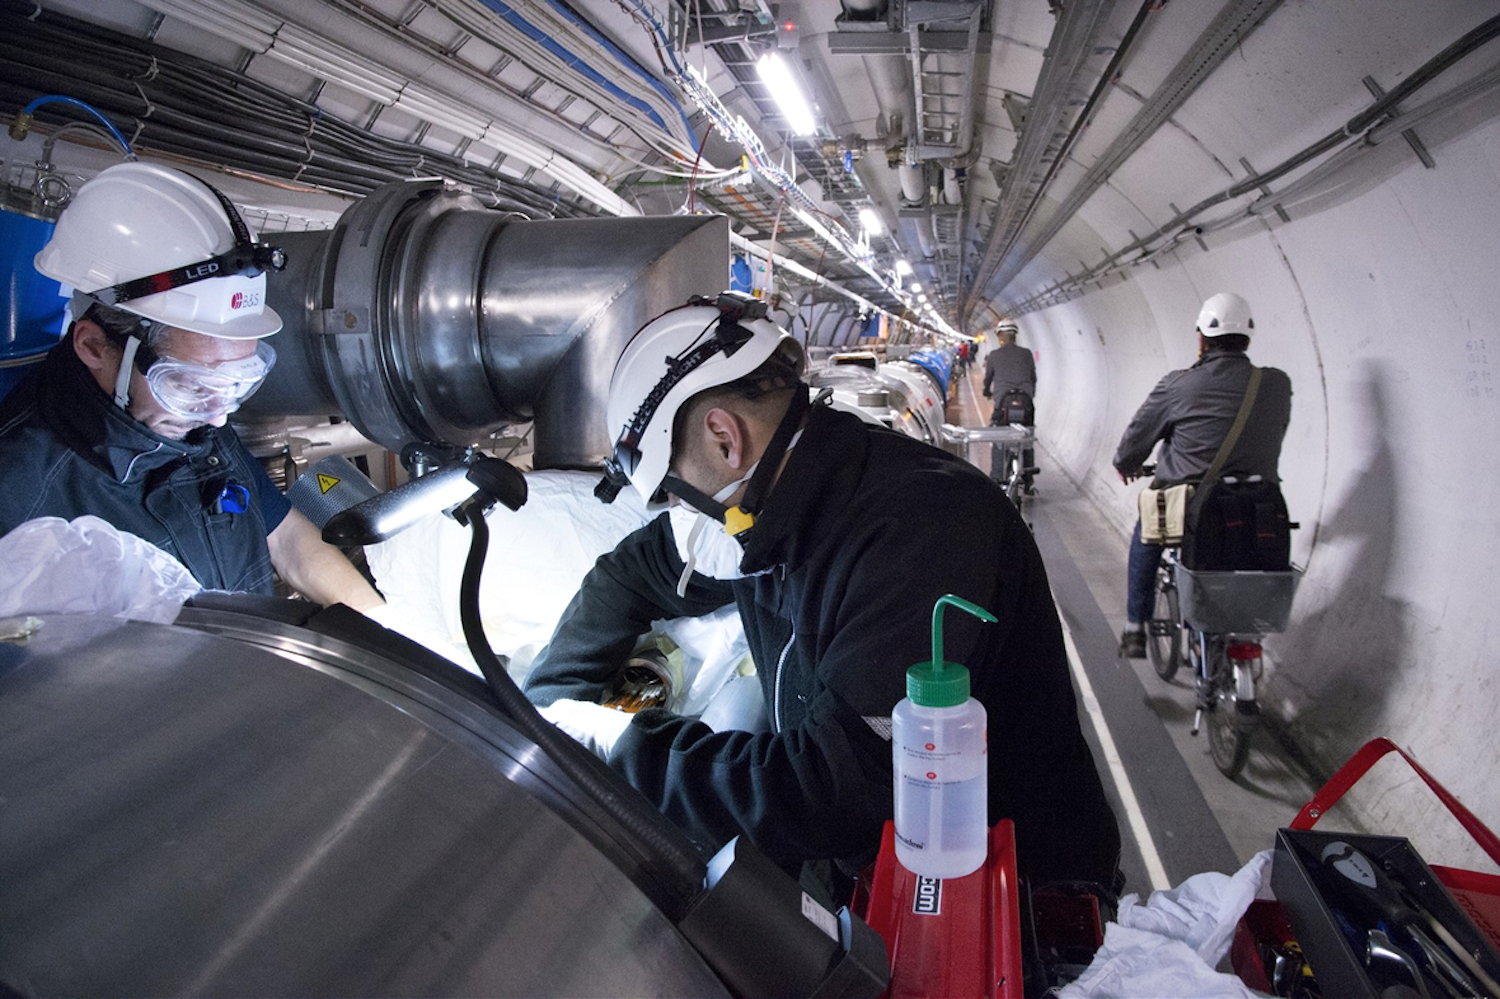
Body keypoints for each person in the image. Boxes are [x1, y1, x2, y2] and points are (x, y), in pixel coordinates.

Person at [525, 292, 1121, 900]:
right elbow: (630, 571)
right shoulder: (760, 513)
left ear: (724, 438)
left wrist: (620, 744)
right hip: (875, 877)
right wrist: (552, 698)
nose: (683, 513)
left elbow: (835, 790)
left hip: (1011, 907)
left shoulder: (922, 530)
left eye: (676, 491)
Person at [0, 161, 382, 611]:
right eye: (191, 384)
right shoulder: (21, 499)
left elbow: (288, 540)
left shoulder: (178, 412)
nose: (219, 416)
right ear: (95, 346)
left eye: (235, 381)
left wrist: (394, 637)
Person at [1112, 292, 1292, 658]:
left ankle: (1135, 626)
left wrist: (1125, 463)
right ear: (1247, 337)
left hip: (1191, 508)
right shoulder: (1276, 384)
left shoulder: (1179, 385)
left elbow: (1137, 438)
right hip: (1260, 505)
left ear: (1201, 339)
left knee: (1146, 535)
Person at [982, 320, 1038, 490]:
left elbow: (988, 379)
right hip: (1025, 404)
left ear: (1000, 336)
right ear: (1015, 335)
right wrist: (1030, 393)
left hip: (1003, 405)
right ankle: (1028, 480)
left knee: (998, 438)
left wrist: (986, 391)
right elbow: (1033, 378)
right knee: (1027, 438)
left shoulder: (993, 355)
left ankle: (997, 478)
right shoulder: (1027, 354)